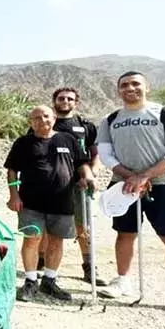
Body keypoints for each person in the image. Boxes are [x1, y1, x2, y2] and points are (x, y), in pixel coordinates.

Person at [95, 71, 165, 318]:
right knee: (125, 233)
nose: (130, 88)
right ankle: (122, 280)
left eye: (135, 84)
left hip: (164, 184)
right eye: (124, 85)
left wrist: (145, 176)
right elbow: (106, 154)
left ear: (147, 87)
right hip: (124, 184)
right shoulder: (110, 119)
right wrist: (131, 176)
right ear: (118, 90)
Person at [5, 105, 94, 302]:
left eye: (46, 116)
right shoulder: (23, 142)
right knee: (32, 239)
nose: (42, 120)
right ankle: (30, 281)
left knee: (56, 241)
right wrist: (14, 195)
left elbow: (82, 163)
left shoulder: (68, 139)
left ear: (54, 118)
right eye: (36, 118)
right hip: (30, 202)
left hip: (62, 201)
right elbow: (12, 170)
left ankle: (49, 281)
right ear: (31, 122)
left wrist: (88, 176)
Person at [32, 88, 106, 286]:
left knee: (83, 225)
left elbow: (95, 154)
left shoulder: (85, 126)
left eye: (70, 98)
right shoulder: (45, 122)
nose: (65, 101)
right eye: (61, 98)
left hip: (80, 184)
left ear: (76, 102)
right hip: (51, 184)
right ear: (54, 100)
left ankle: (89, 266)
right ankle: (41, 262)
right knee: (46, 225)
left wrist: (91, 174)